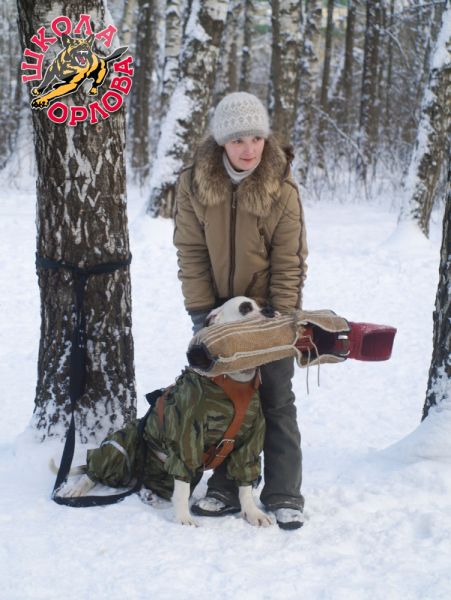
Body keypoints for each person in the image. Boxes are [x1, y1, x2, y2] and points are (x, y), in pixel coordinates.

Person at [173, 92, 308, 530]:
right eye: (237, 141)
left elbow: (289, 260)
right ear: (221, 142)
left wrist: (280, 318)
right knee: (224, 399)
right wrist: (201, 313)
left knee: (276, 399)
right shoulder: (194, 183)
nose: (249, 150)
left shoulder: (281, 187)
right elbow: (191, 251)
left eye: (256, 139)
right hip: (217, 314)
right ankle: (226, 487)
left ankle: (284, 492)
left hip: (267, 313)